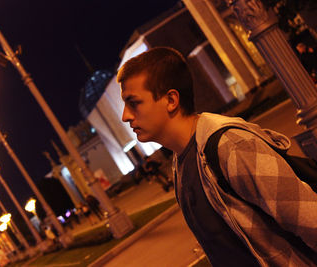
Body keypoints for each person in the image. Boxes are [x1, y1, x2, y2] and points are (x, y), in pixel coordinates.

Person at [117, 46, 317, 266]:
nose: (125, 116)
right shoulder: (181, 162)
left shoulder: (230, 146)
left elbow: (309, 219)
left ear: (171, 100)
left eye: (134, 103)